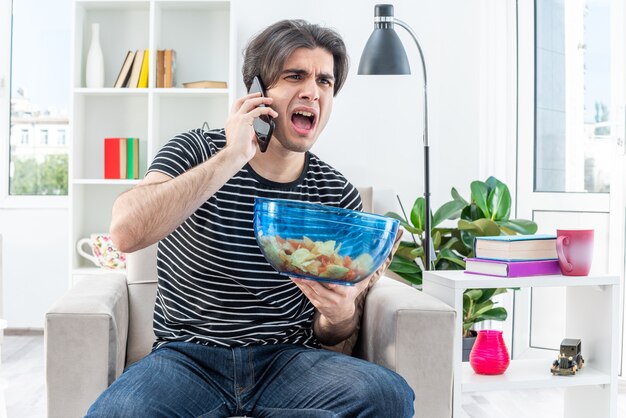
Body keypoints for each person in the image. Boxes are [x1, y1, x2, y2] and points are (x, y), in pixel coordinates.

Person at [87, 19, 414, 418]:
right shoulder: (195, 150)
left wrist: (340, 312)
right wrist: (231, 157)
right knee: (117, 412)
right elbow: (125, 232)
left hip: (288, 363)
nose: (312, 91)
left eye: (325, 82)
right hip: (187, 360)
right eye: (296, 76)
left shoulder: (335, 193)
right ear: (258, 93)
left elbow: (335, 334)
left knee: (388, 395)